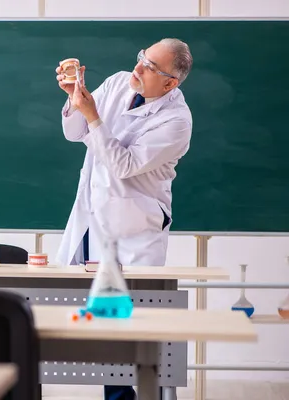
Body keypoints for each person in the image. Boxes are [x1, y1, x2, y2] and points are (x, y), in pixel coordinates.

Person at [54, 38, 193, 400]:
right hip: (94, 223)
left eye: (151, 67)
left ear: (169, 84)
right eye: (141, 58)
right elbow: (75, 133)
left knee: (145, 334)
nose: (139, 68)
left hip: (136, 232)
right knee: (108, 329)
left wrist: (93, 115)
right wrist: (75, 97)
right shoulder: (118, 82)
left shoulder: (177, 121)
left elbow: (124, 165)